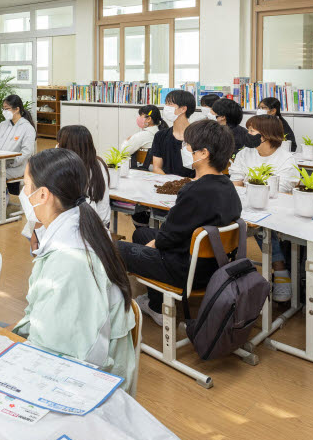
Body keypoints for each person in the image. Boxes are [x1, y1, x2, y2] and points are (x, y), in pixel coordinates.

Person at [11, 149, 136, 388]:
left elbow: (58, 350)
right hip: (73, 360)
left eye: (26, 186)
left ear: (43, 195)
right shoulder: (78, 221)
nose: (24, 193)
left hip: (80, 381)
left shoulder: (71, 261)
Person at [118, 120, 242, 323]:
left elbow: (168, 237)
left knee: (114, 249)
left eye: (189, 146)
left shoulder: (193, 191)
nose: (185, 149)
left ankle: (123, 313)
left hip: (185, 269)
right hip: (212, 265)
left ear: (203, 153)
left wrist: (152, 248)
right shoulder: (228, 188)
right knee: (142, 233)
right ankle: (156, 305)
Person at [229, 114, 298, 302]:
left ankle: (280, 270)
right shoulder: (245, 153)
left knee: (262, 227)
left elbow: (279, 192)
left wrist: (250, 191)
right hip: (246, 205)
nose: (247, 134)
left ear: (266, 135)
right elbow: (235, 182)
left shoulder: (286, 159)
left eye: (251, 131)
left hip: (274, 209)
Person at [59, 125, 110, 227]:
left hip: (86, 227)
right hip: (102, 223)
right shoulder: (98, 163)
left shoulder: (72, 169)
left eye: (60, 144)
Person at [150, 90, 196, 178]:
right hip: (166, 184)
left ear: (183, 109)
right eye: (166, 103)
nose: (166, 107)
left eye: (170, 104)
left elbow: (202, 171)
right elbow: (156, 168)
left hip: (191, 186)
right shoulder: (160, 135)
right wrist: (170, 183)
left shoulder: (198, 136)